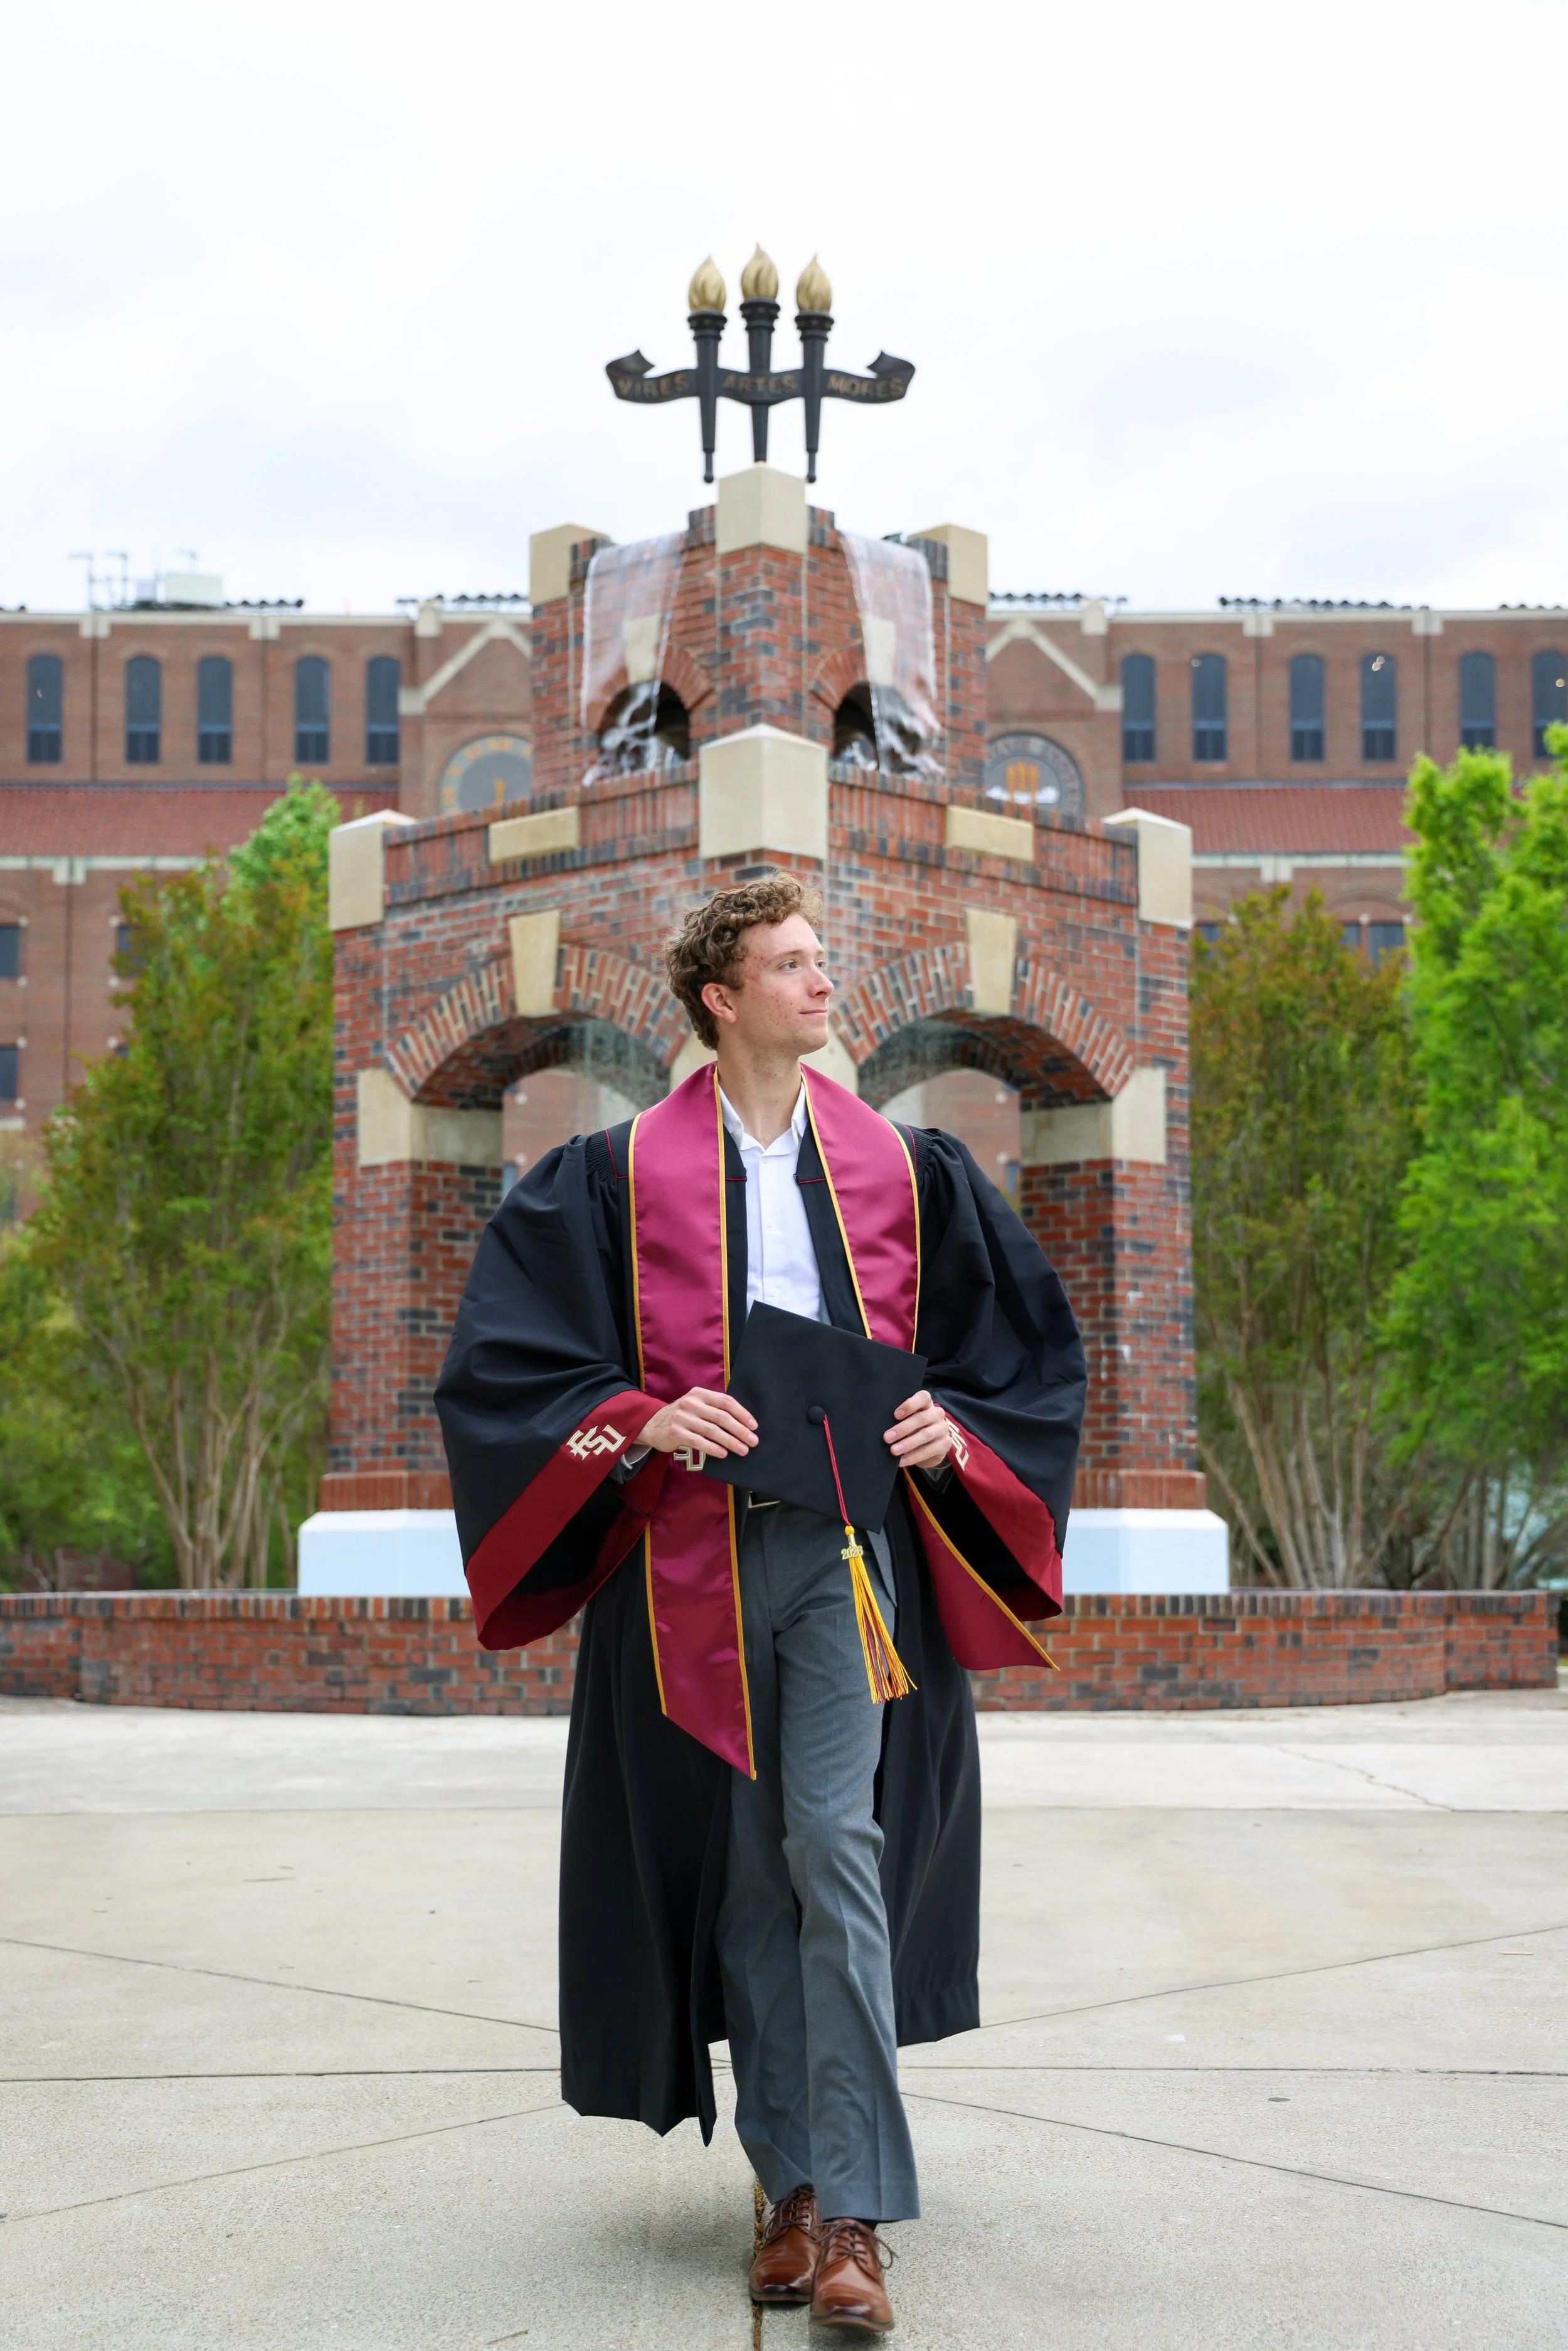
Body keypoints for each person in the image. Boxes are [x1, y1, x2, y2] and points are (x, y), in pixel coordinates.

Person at [435, 873, 1085, 2332]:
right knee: (742, 1868)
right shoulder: (607, 1177)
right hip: (690, 1564)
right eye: (791, 964)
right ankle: (783, 2182)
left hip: (854, 1559)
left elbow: (1019, 1358)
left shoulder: (911, 1171)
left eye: (820, 959)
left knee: (834, 1845)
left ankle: (851, 2205)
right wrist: (636, 1418)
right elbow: (508, 1373)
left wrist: (945, 1432)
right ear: (719, 998)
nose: (823, 982)